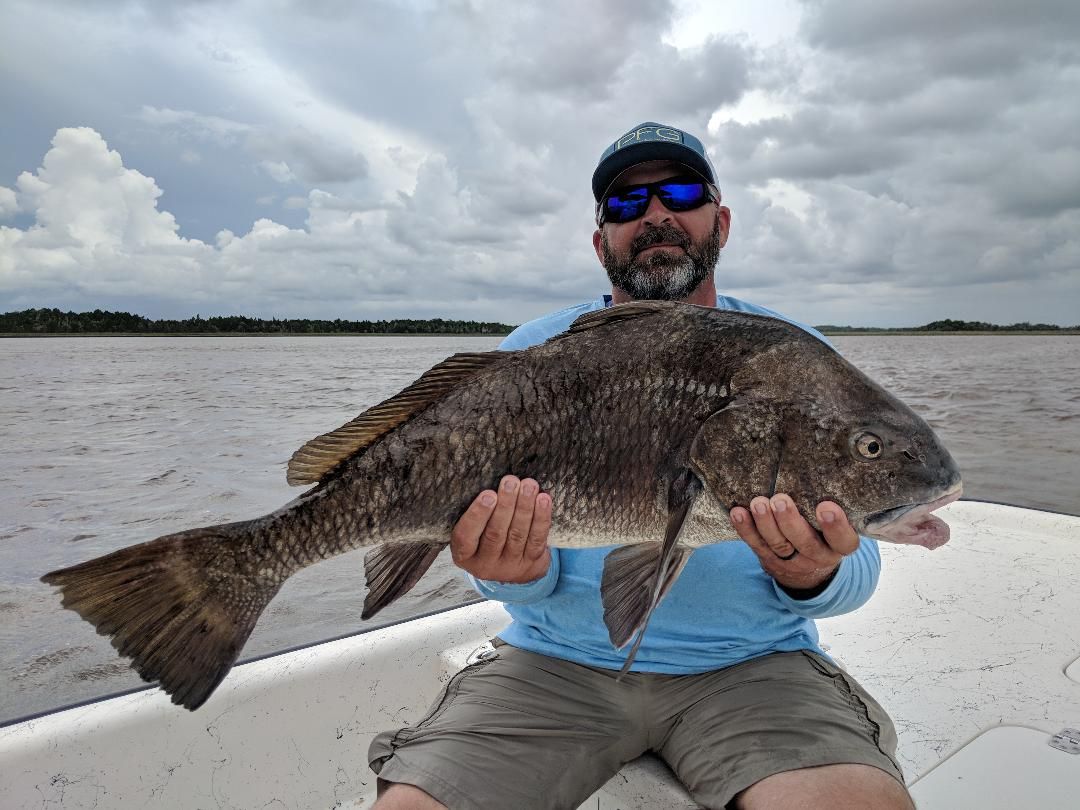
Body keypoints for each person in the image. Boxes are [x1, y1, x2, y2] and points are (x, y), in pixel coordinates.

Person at [368, 122, 914, 810]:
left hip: (755, 670)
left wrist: (814, 573)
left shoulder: (794, 357)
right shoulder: (539, 349)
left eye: (681, 192)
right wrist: (513, 574)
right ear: (602, 242)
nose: (656, 215)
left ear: (721, 220)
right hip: (552, 668)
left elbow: (859, 570)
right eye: (626, 205)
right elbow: (495, 563)